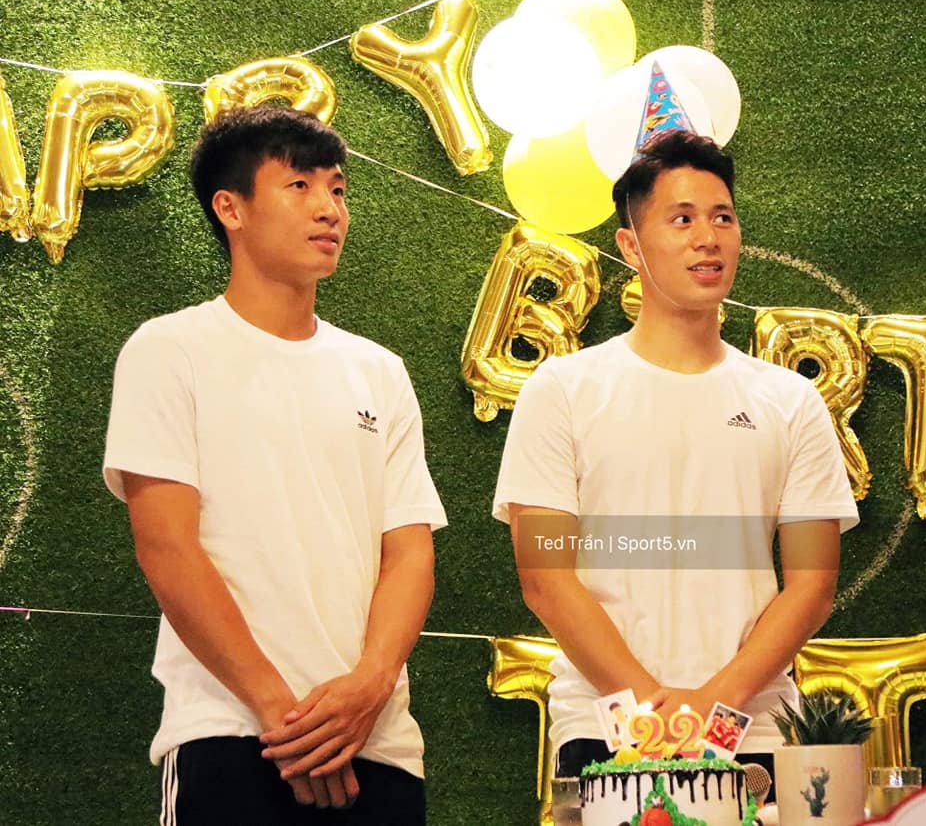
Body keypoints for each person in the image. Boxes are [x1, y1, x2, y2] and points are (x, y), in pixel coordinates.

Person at [103, 105, 446, 825]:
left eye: (338, 188)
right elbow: (166, 545)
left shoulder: (379, 370)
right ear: (230, 207)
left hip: (377, 742)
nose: (329, 208)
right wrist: (279, 714)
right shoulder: (169, 350)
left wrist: (370, 685)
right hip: (231, 732)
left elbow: (410, 550)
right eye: (299, 185)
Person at [492, 130, 858, 793]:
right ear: (631, 245)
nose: (708, 238)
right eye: (682, 219)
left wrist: (715, 705)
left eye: (723, 218)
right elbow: (545, 576)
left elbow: (813, 583)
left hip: (753, 731)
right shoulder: (564, 388)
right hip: (606, 725)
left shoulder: (790, 399)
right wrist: (652, 706)